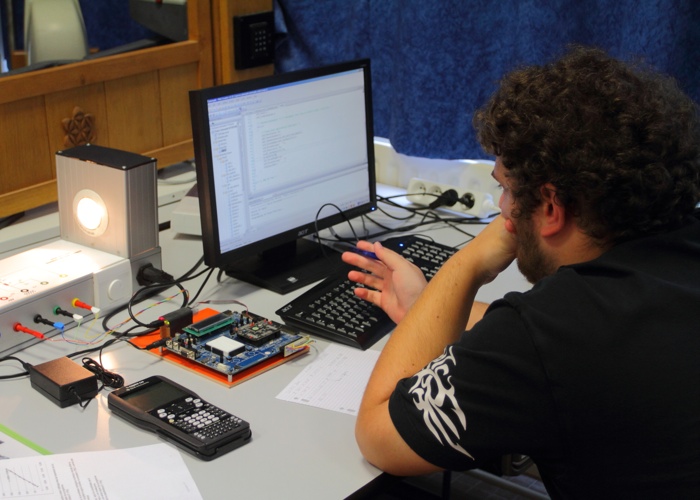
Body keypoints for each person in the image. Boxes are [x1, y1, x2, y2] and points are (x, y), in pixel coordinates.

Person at [341, 46, 700, 498]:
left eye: (506, 190)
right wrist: (426, 306)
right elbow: (520, 338)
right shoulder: (678, 250)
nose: (502, 209)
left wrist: (466, 262)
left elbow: (378, 435)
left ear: (550, 207)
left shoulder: (553, 333)